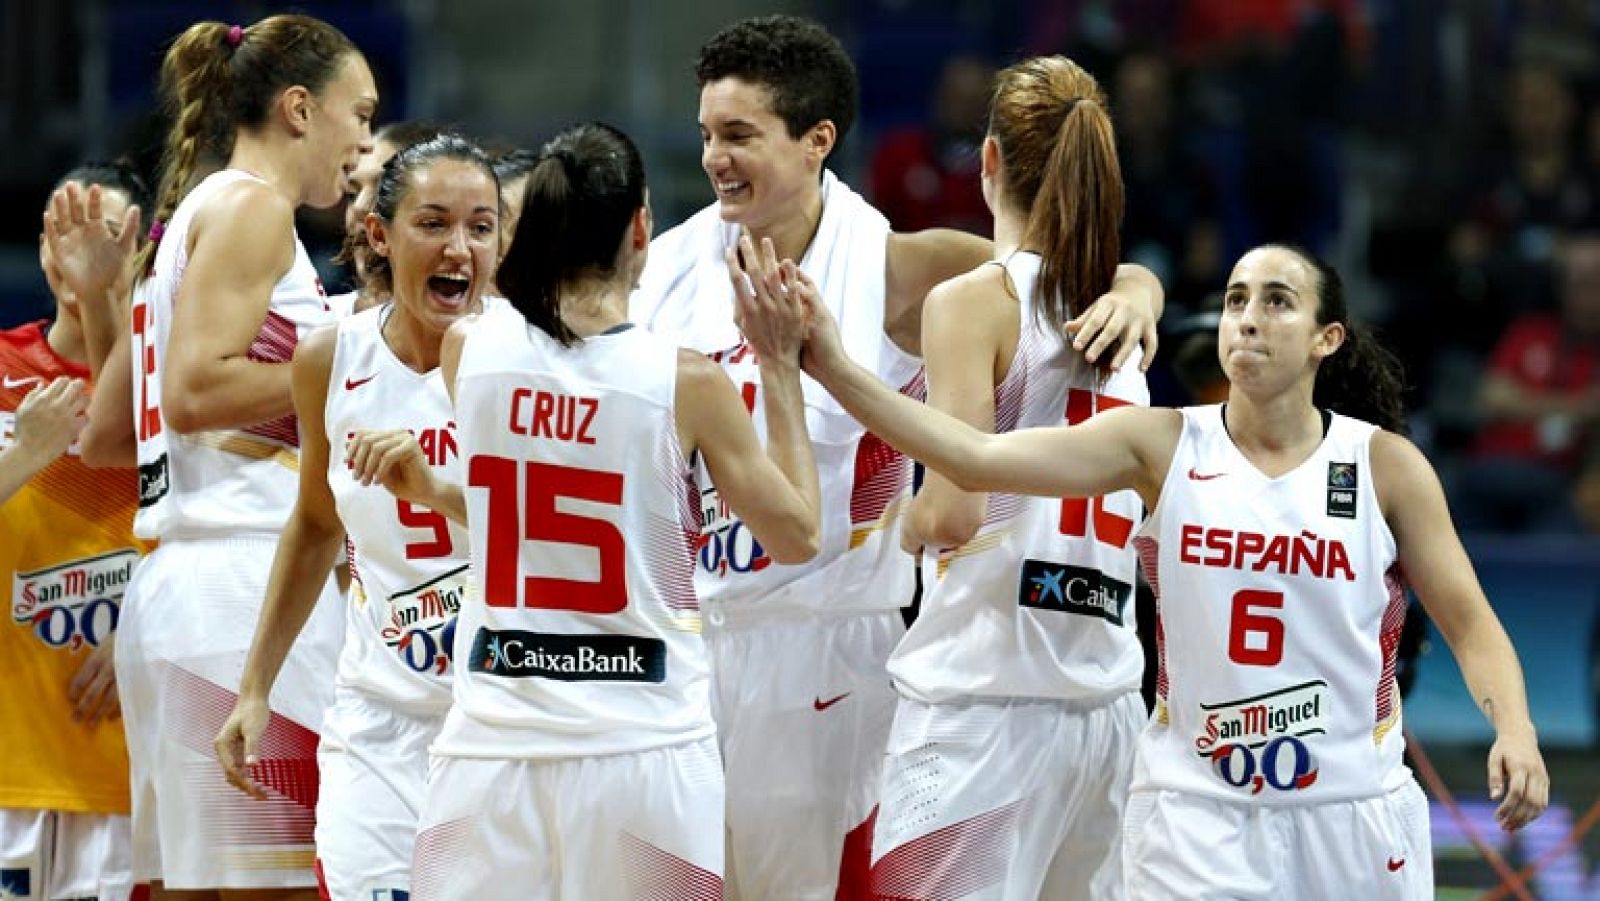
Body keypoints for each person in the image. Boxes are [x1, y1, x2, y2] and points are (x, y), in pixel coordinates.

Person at [760, 242, 1549, 899]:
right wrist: (831, 364)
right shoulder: (1162, 443)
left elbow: (1471, 624)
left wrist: (1514, 727)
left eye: (1277, 301)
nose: (1247, 319)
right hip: (1194, 814)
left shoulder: (1383, 466)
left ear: (1326, 338)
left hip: (1350, 810)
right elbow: (975, 453)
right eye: (1238, 298)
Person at [632, 16, 1164, 896]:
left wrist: (1140, 285)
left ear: (816, 142)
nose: (715, 158)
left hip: (829, 646)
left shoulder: (900, 266)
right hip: (691, 637)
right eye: (706, 135)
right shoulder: (668, 268)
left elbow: (1059, 278)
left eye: (739, 136)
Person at [360, 122, 818, 899]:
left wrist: (438, 490)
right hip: (641, 746)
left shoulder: (467, 348)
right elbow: (797, 532)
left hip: (491, 750)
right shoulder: (688, 382)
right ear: (642, 227)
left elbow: (528, 497)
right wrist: (778, 366)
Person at [108, 15, 376, 895]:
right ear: (300, 108)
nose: (365, 142)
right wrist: (350, 354)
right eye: (360, 114)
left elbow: (113, 429)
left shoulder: (201, 212)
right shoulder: (253, 208)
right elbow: (193, 392)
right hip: (237, 588)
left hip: (191, 587)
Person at [868, 56, 1145, 901]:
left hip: (985, 703)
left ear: (988, 161)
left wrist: (898, 528)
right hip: (1106, 707)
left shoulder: (973, 301)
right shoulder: (1121, 308)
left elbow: (955, 511)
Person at [213, 135, 503, 901]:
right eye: (434, 223)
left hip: (504, 726)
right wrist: (254, 688)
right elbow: (313, 524)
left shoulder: (528, 359)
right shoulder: (329, 357)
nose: (460, 248)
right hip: (379, 722)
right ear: (380, 234)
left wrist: (436, 485)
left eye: (482, 226)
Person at [1, 162, 152, 901]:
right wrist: (23, 455)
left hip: (134, 775)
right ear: (42, 250)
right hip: (13, 766)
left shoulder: (175, 388)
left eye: (111, 237)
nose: (87, 256)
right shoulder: (0, 365)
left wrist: (146, 627)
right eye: (70, 232)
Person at [330, 121, 447, 318]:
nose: (359, 207)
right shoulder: (316, 324)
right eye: (352, 193)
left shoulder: (491, 332)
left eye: (383, 191)